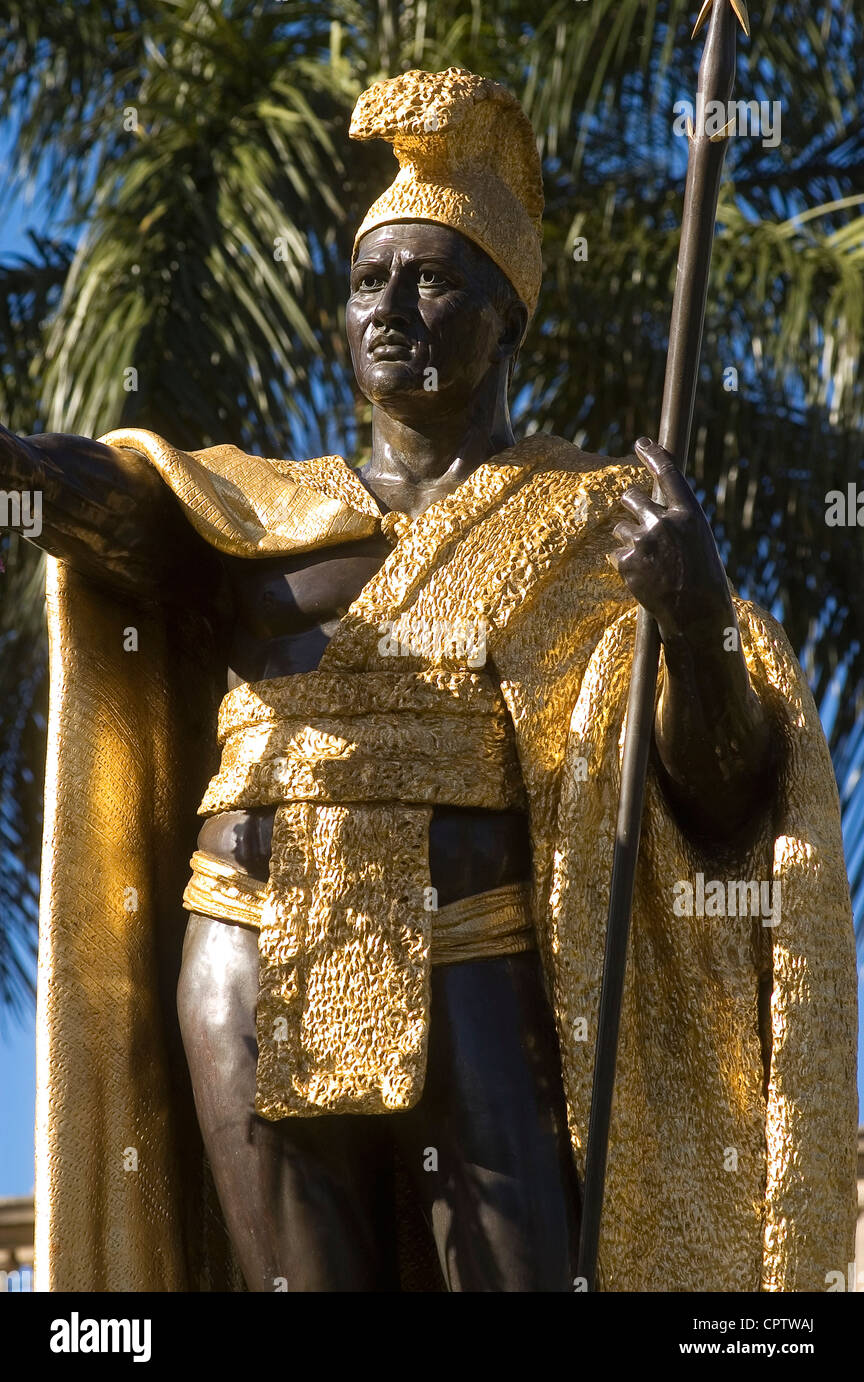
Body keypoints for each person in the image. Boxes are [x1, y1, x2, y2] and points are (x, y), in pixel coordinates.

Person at [4, 67, 856, 1292]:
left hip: (477, 950)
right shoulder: (257, 502)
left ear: (506, 312)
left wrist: (699, 619)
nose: (391, 306)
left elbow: (722, 799)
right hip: (247, 944)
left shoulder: (593, 518)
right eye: (366, 282)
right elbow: (117, 510)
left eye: (432, 277)